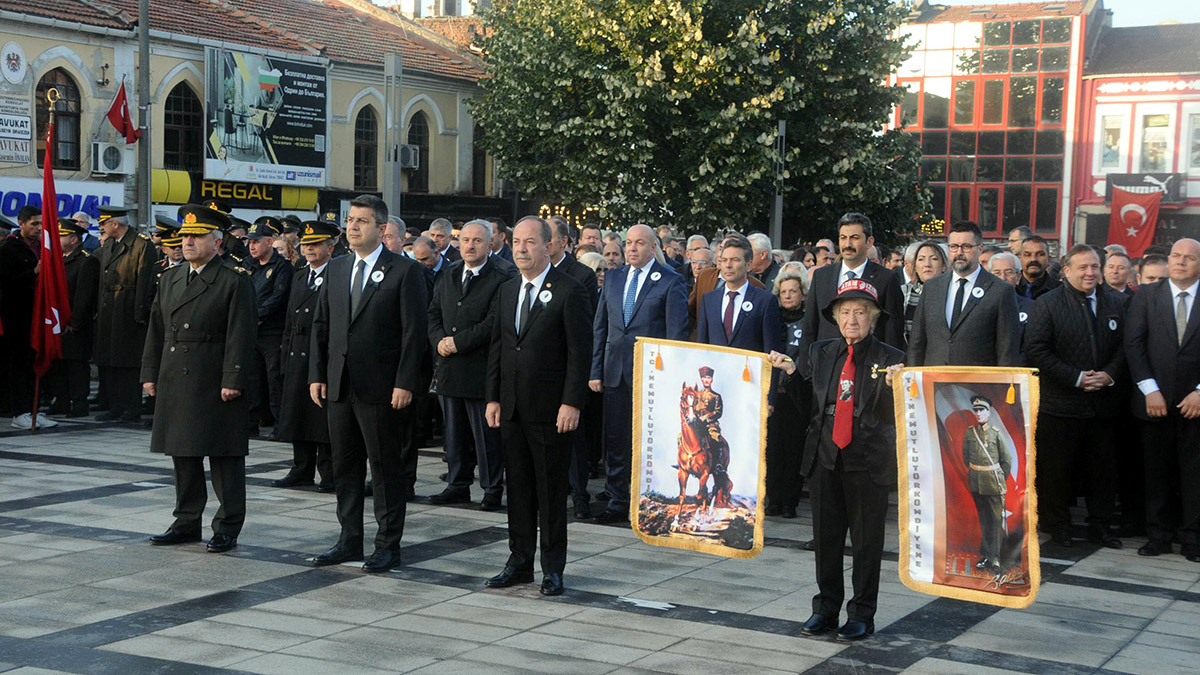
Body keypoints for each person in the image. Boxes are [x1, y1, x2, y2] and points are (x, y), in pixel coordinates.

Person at [770, 279, 903, 642]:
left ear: (873, 318)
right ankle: (825, 608)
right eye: (845, 312)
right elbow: (807, 406)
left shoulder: (891, 358)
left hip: (868, 458)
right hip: (825, 454)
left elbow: (893, 416)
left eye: (860, 312)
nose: (852, 320)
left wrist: (893, 388)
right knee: (826, 539)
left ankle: (861, 613)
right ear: (835, 317)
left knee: (866, 542)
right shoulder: (821, 351)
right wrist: (790, 373)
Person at [308, 195, 428, 573]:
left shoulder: (404, 271)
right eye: (350, 220)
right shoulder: (338, 268)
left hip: (382, 388)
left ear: (381, 228)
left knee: (385, 469)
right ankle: (349, 540)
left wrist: (405, 381)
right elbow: (322, 325)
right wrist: (317, 374)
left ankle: (387, 545)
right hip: (340, 385)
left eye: (362, 221)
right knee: (344, 468)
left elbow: (414, 333)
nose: (353, 227)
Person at [484, 216, 592, 596]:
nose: (521, 249)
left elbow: (580, 353)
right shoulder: (507, 289)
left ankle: (552, 568)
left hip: (551, 411)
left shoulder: (569, 290)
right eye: (516, 242)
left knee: (549, 493)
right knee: (518, 490)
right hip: (512, 407)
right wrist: (493, 396)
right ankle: (519, 561)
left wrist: (571, 402)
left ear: (548, 247)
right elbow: (499, 346)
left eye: (530, 242)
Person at [142, 204, 257, 553]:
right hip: (177, 374)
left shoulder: (234, 279)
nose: (187, 242)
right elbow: (157, 329)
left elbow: (241, 333)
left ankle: (227, 525)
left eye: (197, 236)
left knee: (224, 455)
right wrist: (150, 372)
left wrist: (233, 377)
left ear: (217, 242)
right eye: (185, 236)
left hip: (214, 375)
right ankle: (186, 521)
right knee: (183, 453)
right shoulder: (171, 277)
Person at [1025, 244, 1127, 549]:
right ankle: (1058, 526)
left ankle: (1100, 527)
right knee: (1057, 472)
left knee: (1103, 472)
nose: (1090, 272)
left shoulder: (1116, 302)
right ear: (1066, 271)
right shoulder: (1047, 304)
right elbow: (1037, 349)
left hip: (1103, 405)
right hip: (1060, 405)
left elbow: (1126, 346)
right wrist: (1076, 378)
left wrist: (1109, 374)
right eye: (1083, 267)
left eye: (1095, 266)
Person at [591, 224, 688, 524]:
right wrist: (596, 370)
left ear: (653, 247)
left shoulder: (670, 280)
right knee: (616, 438)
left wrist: (672, 377)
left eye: (639, 243)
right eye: (628, 243)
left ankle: (649, 498)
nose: (632, 248)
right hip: (615, 371)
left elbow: (676, 334)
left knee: (650, 441)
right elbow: (601, 327)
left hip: (652, 376)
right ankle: (617, 499)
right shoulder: (614, 277)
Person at [427, 219, 515, 511]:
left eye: (477, 241)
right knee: (454, 435)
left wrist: (458, 342)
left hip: (480, 369)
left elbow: (494, 321)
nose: (470, 246)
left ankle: (491, 488)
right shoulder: (450, 272)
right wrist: (439, 340)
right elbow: (433, 312)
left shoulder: (502, 276)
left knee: (485, 436)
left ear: (490, 245)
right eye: (465, 240)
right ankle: (457, 484)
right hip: (449, 368)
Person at [1125, 238, 1200, 563]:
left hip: (1195, 403)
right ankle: (1158, 536)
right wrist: (1149, 389)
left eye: (1189, 258)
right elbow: (1134, 343)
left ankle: (1193, 538)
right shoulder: (1147, 295)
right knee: (1156, 472)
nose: (1180, 262)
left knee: (1194, 474)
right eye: (1176, 256)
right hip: (1154, 401)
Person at [272, 220, 340, 492]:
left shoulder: (337, 274)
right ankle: (301, 468)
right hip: (296, 351)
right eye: (306, 244)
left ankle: (329, 472)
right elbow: (290, 319)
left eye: (316, 244)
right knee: (297, 414)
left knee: (321, 417)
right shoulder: (300, 275)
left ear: (330, 247)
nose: (309, 249)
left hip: (321, 351)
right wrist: (284, 357)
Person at [907, 222, 1021, 367]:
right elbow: (917, 342)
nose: (959, 252)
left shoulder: (1000, 290)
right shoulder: (932, 287)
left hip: (978, 378)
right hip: (934, 376)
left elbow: (1007, 349)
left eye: (966, 246)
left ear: (980, 249)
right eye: (954, 246)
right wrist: (913, 374)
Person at [800, 213, 905, 370]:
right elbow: (810, 327)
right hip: (826, 369)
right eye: (843, 238)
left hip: (869, 370)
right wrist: (806, 370)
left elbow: (892, 333)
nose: (847, 244)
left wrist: (888, 373)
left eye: (854, 238)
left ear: (869, 242)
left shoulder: (887, 279)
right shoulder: (821, 276)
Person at [95, 205, 160, 423]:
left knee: (128, 362)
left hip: (128, 310)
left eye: (104, 224)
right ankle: (116, 406)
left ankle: (131, 407)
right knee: (111, 360)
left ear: (115, 224)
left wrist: (139, 313)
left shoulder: (141, 245)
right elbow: (103, 280)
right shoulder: (109, 245)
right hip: (109, 310)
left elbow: (144, 280)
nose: (102, 228)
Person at [0, 206, 52, 429]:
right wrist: (33, 273)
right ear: (21, 224)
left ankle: (33, 409)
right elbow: (6, 282)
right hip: (16, 317)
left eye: (41, 224)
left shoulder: (43, 247)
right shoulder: (9, 249)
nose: (39, 228)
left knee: (34, 363)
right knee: (18, 365)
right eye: (34, 224)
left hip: (37, 316)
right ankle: (19, 412)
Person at [766, 262, 810, 518]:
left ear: (803, 294)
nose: (788, 296)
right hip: (774, 393)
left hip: (796, 392)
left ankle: (789, 502)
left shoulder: (809, 321)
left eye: (793, 291)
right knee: (773, 449)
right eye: (783, 292)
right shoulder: (772, 318)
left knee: (793, 448)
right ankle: (773, 499)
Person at [244, 217, 294, 437]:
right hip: (252, 331)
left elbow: (278, 298)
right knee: (252, 378)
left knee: (275, 379)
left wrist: (254, 315)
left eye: (256, 241)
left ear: (269, 242)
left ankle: (280, 424)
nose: (252, 246)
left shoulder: (282, 267)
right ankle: (251, 422)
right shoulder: (247, 265)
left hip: (272, 332)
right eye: (249, 242)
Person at [46, 218, 100, 418]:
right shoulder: (56, 259)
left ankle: (79, 403)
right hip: (57, 322)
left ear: (74, 239)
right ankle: (61, 400)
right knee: (58, 364)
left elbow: (84, 296)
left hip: (75, 325)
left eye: (61, 236)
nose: (57, 240)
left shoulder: (86, 260)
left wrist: (75, 323)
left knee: (76, 365)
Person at [696, 234, 783, 355]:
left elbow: (772, 349)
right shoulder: (709, 299)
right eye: (724, 260)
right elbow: (702, 345)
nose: (728, 265)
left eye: (735, 260)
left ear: (748, 265)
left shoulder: (765, 301)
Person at [960, 396, 1013, 572]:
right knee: (984, 521)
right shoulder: (970, 433)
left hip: (993, 483)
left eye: (982, 410)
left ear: (989, 413)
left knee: (995, 521)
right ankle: (986, 554)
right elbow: (966, 457)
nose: (978, 413)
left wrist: (998, 478)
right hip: (976, 483)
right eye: (976, 410)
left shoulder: (996, 434)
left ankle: (995, 557)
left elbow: (1006, 460)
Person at [987, 252, 1035, 352]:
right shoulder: (977, 306)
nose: (1003, 278)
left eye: (1008, 272)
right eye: (997, 273)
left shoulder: (1031, 308)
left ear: (1018, 277)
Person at [901, 240, 946, 341]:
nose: (927, 264)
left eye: (934, 259)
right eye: (921, 259)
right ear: (915, 267)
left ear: (943, 266)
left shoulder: (951, 293)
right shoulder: (903, 292)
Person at [1016, 235, 1060, 300]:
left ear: (1049, 260)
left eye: (1040, 254)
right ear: (1020, 259)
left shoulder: (1060, 291)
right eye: (1027, 255)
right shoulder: (1011, 288)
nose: (1033, 259)